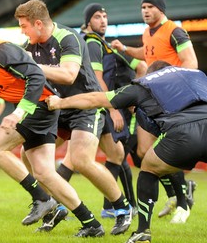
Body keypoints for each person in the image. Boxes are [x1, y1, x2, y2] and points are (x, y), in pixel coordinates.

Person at [0, 20, 105, 237]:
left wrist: (19, 113)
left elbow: (36, 76)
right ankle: (91, 223)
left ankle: (41, 198)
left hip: (39, 106)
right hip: (38, 108)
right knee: (45, 173)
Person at [46, 61, 207, 243]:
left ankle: (143, 232)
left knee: (149, 167)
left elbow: (94, 99)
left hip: (182, 133)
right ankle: (180, 201)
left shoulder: (145, 85)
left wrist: (61, 102)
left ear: (149, 74)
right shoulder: (197, 75)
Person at [14, 0, 132, 235]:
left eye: (24, 26)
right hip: (56, 108)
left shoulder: (69, 38)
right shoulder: (30, 45)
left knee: (80, 160)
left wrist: (30, 66)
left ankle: (122, 209)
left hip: (84, 104)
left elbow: (68, 75)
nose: (22, 31)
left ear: (38, 24)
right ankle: (55, 205)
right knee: (27, 154)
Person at [111, 0, 198, 223]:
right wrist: (125, 49)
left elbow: (191, 62)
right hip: (154, 98)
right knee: (143, 153)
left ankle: (181, 201)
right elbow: (146, 53)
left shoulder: (175, 31)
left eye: (150, 6)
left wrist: (177, 88)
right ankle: (178, 193)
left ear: (161, 8)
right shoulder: (147, 32)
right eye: (143, 7)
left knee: (164, 151)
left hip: (173, 101)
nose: (145, 11)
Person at [81, 3, 147, 217]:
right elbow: (99, 80)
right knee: (84, 159)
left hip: (103, 105)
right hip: (100, 107)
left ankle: (115, 207)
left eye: (105, 16)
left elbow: (141, 65)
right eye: (98, 17)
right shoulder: (92, 44)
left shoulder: (104, 45)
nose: (103, 20)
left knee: (118, 154)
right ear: (88, 21)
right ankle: (52, 200)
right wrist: (113, 109)